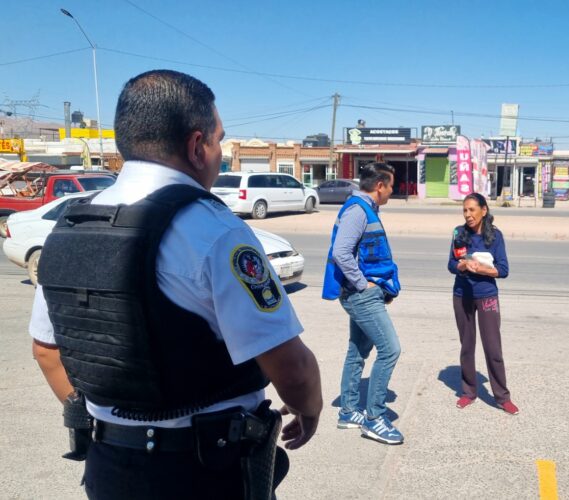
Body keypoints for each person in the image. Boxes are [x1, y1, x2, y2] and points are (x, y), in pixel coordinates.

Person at [30, 69, 322, 499]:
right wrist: (309, 408)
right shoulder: (214, 230)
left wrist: (116, 425)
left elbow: (46, 351)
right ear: (196, 145)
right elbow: (291, 366)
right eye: (219, 140)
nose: (220, 152)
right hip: (204, 472)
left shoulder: (71, 224)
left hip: (110, 468)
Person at [321, 162, 404, 445]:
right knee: (390, 349)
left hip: (362, 294)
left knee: (358, 351)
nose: (392, 191)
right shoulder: (358, 210)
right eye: (391, 185)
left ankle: (348, 411)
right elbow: (341, 252)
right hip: (360, 296)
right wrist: (363, 284)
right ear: (379, 186)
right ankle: (374, 418)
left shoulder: (364, 208)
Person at [447, 192, 518, 415]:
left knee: (493, 347)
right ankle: (468, 392)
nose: (468, 215)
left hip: (487, 295)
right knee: (467, 346)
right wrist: (461, 266)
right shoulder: (459, 233)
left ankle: (502, 397)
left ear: (484, 210)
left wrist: (483, 269)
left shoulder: (495, 236)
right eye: (465, 210)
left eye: (472, 210)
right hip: (462, 295)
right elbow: (450, 264)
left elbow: (504, 270)